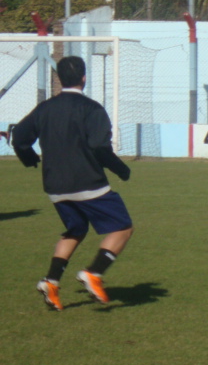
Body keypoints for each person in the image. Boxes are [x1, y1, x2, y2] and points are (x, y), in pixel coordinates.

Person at [12, 56, 133, 311]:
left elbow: (19, 137)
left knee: (75, 230)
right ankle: (94, 273)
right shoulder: (92, 109)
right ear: (84, 78)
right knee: (122, 228)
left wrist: (29, 158)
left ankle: (51, 282)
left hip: (55, 186)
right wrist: (121, 169)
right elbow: (99, 146)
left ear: (59, 79)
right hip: (87, 182)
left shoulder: (45, 108)